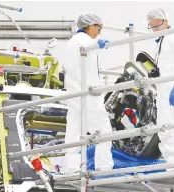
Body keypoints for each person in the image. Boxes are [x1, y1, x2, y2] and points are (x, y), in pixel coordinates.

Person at [62, 13, 114, 173]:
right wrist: (99, 44)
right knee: (104, 132)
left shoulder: (72, 42)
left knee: (74, 133)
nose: (99, 32)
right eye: (99, 29)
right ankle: (103, 168)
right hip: (89, 96)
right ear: (91, 25)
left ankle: (70, 169)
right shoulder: (84, 41)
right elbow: (90, 46)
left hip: (74, 95)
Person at [147, 8, 174, 164]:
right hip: (163, 89)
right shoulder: (161, 40)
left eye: (157, 25)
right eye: (152, 27)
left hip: (173, 89)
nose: (155, 29)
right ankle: (170, 162)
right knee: (164, 128)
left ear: (165, 21)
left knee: (172, 127)